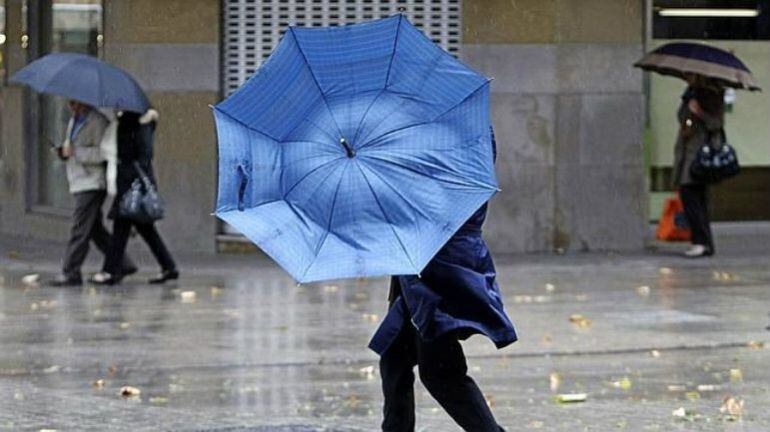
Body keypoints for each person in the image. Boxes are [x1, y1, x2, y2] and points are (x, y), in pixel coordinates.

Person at [369, 129, 516, 432]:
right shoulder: (430, 130)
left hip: (438, 270)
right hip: (421, 268)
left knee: (441, 373)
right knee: (394, 357)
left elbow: (440, 199)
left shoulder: (459, 135)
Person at [48, 100, 136, 286]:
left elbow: (103, 154)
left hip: (92, 182)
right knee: (95, 229)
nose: (72, 107)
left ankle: (71, 271)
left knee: (80, 226)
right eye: (69, 103)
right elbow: (73, 146)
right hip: (78, 180)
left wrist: (76, 152)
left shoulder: (97, 122)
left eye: (75, 103)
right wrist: (64, 152)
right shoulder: (75, 120)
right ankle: (122, 263)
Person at [91, 108, 179, 285]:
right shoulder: (128, 121)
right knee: (145, 230)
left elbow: (143, 154)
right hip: (129, 183)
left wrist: (129, 171)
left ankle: (110, 271)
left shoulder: (138, 123)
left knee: (121, 229)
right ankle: (168, 267)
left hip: (132, 185)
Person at [673, 73, 725, 258]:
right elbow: (681, 116)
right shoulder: (690, 93)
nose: (687, 78)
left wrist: (698, 112)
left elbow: (715, 124)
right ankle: (702, 242)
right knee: (694, 198)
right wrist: (688, 107)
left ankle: (701, 242)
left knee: (692, 195)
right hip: (687, 150)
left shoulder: (712, 94)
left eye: (690, 75)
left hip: (699, 154)